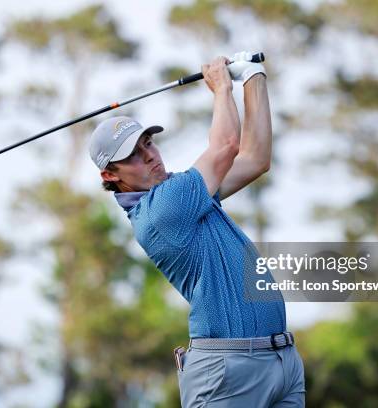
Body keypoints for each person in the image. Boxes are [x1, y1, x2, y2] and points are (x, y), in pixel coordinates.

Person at [88, 52, 305, 407]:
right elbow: (226, 146)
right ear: (110, 175)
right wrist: (221, 87)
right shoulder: (161, 210)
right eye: (132, 155)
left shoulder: (184, 191)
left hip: (281, 361)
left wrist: (253, 77)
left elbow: (255, 159)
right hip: (228, 370)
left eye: (148, 143)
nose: (150, 156)